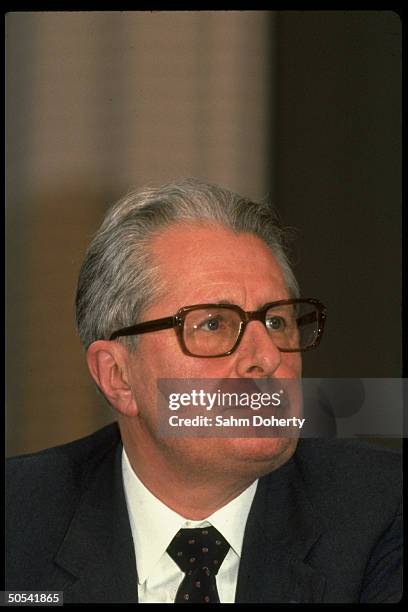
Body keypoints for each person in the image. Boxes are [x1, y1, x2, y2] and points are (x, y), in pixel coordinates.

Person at [6, 179, 402, 603]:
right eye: (213, 324)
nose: (267, 357)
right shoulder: (18, 520)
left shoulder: (383, 510)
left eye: (277, 322)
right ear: (118, 376)